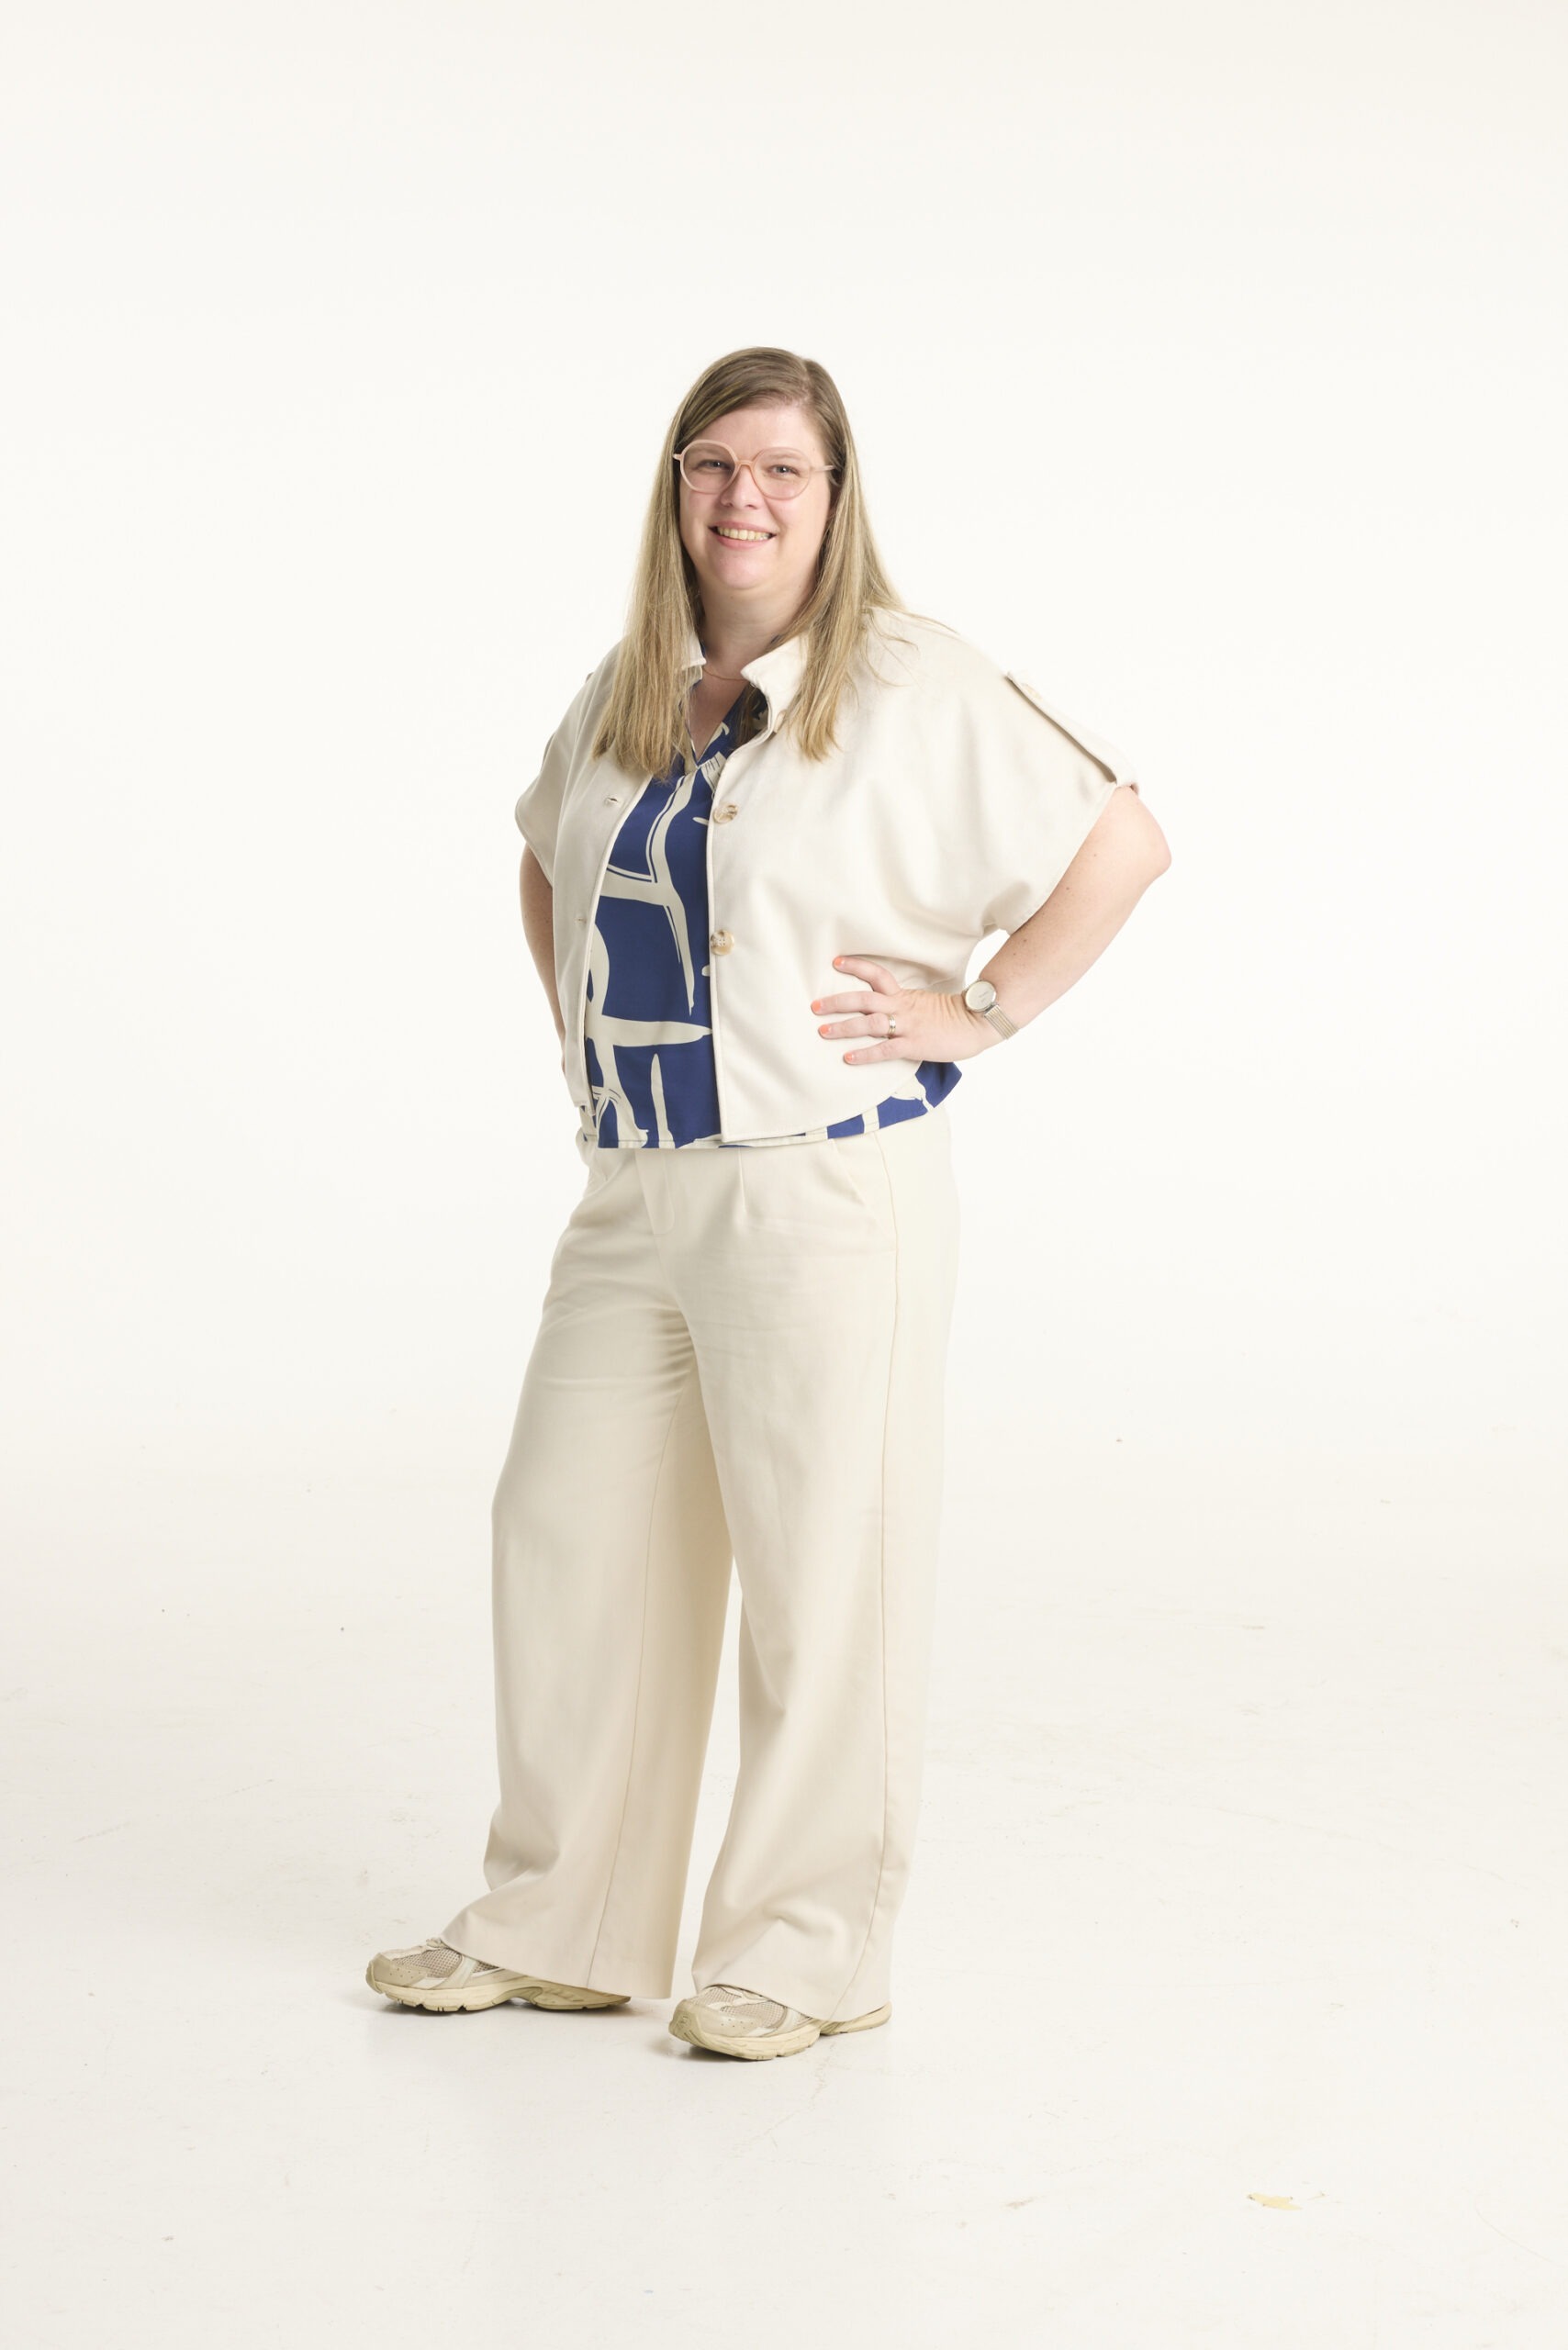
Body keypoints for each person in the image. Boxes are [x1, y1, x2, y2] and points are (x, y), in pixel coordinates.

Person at [366, 345, 1171, 2061]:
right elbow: (546, 856)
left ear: (835, 494)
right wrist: (589, 1040)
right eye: (714, 463)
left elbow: (1121, 841)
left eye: (782, 471)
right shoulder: (627, 683)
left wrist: (983, 1009)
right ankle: (565, 1919)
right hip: (638, 1188)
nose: (744, 497)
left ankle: (809, 1952)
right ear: (676, 483)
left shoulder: (910, 677)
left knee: (827, 1571)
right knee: (567, 1539)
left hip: (821, 1185)